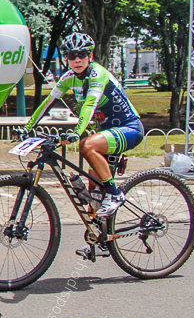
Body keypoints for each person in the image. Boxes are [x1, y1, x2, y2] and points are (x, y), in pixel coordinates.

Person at [23, 32, 143, 218]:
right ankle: (99, 239)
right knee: (94, 191)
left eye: (82, 55)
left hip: (129, 128)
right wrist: (27, 127)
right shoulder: (68, 77)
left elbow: (90, 104)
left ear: (90, 56)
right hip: (106, 131)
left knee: (86, 145)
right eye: (72, 56)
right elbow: (47, 103)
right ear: (66, 59)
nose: (77, 59)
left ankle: (115, 194)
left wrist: (77, 133)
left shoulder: (98, 74)